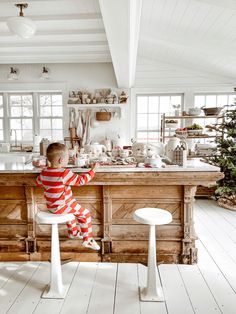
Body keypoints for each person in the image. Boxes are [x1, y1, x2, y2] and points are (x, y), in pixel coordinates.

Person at [36, 142, 100, 251]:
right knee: (85, 214)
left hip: (52, 207)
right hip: (63, 206)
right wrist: (93, 171)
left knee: (73, 211)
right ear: (61, 160)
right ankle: (88, 240)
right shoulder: (64, 173)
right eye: (67, 158)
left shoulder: (44, 173)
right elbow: (81, 181)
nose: (68, 160)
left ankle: (74, 233)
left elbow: (38, 182)